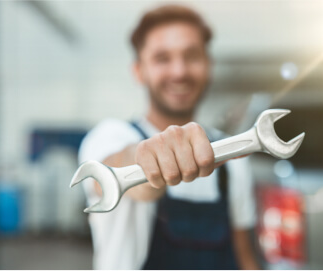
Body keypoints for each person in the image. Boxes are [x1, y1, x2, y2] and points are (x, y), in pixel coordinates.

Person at [79, 5, 259, 270]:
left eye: (192, 56)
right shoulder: (111, 136)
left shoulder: (233, 157)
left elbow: (244, 257)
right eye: (162, 58)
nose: (179, 71)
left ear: (208, 66)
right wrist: (144, 161)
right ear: (139, 71)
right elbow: (116, 168)